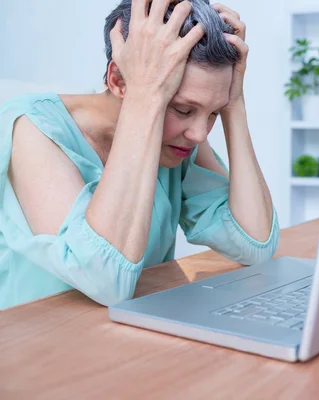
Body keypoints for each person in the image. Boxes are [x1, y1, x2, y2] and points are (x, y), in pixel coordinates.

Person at [0, 0, 280, 310]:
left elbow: (255, 244)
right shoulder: (35, 128)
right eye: (184, 109)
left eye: (212, 112)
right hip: (39, 343)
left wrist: (234, 102)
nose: (200, 134)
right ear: (118, 81)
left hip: (135, 337)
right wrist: (146, 94)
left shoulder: (178, 140)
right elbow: (105, 280)